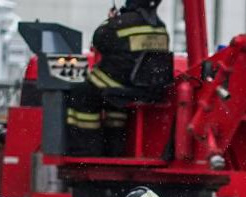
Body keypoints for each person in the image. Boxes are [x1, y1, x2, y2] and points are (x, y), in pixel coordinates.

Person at [66, 0, 172, 156]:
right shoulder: (161, 27)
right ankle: (114, 149)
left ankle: (86, 151)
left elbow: (98, 40)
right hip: (145, 88)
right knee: (115, 107)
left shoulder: (120, 24)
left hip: (120, 84)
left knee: (81, 94)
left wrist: (112, 19)